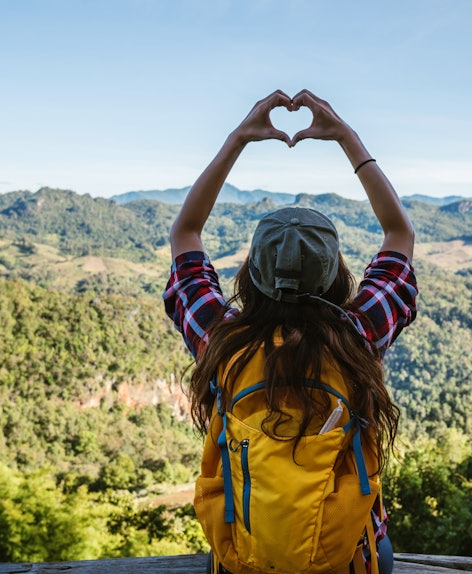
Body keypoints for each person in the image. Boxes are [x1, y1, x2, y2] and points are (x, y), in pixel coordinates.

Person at [164, 89, 417, 574]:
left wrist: (238, 138)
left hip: (246, 558)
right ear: (335, 274)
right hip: (346, 561)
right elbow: (399, 235)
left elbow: (185, 234)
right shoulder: (357, 336)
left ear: (253, 274)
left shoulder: (222, 341)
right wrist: (347, 137)